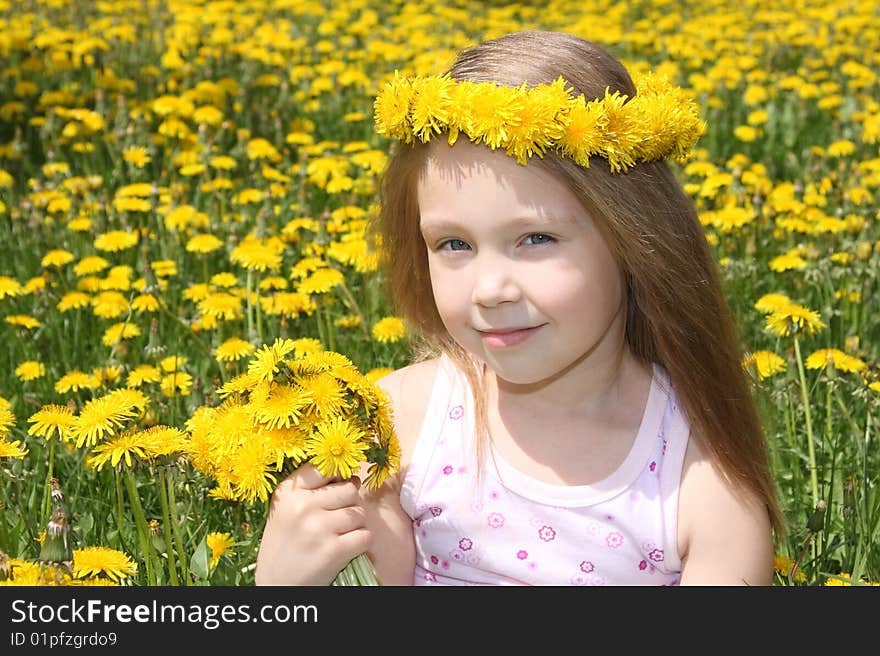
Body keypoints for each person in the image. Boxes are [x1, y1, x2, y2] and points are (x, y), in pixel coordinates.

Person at [255, 30, 783, 586]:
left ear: (634, 241)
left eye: (535, 239)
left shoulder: (698, 477)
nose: (490, 290)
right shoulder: (399, 427)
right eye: (453, 245)